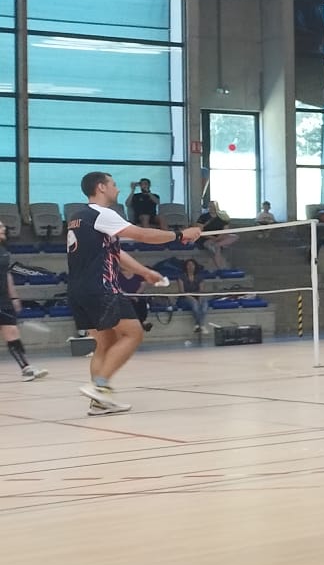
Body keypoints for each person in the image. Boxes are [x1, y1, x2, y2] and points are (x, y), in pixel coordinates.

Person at [67, 172, 204, 414]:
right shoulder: (102, 214)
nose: (118, 189)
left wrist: (144, 272)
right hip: (101, 287)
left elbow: (115, 253)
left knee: (105, 343)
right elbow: (142, 234)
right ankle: (100, 386)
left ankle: (99, 402)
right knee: (134, 333)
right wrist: (180, 235)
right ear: (101, 187)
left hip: (79, 290)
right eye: (113, 184)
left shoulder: (78, 217)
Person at [0, 219, 49, 381]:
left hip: (3, 300)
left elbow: (7, 275)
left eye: (2, 225)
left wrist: (14, 296)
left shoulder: (3, 250)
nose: (3, 228)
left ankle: (26, 368)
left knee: (12, 332)